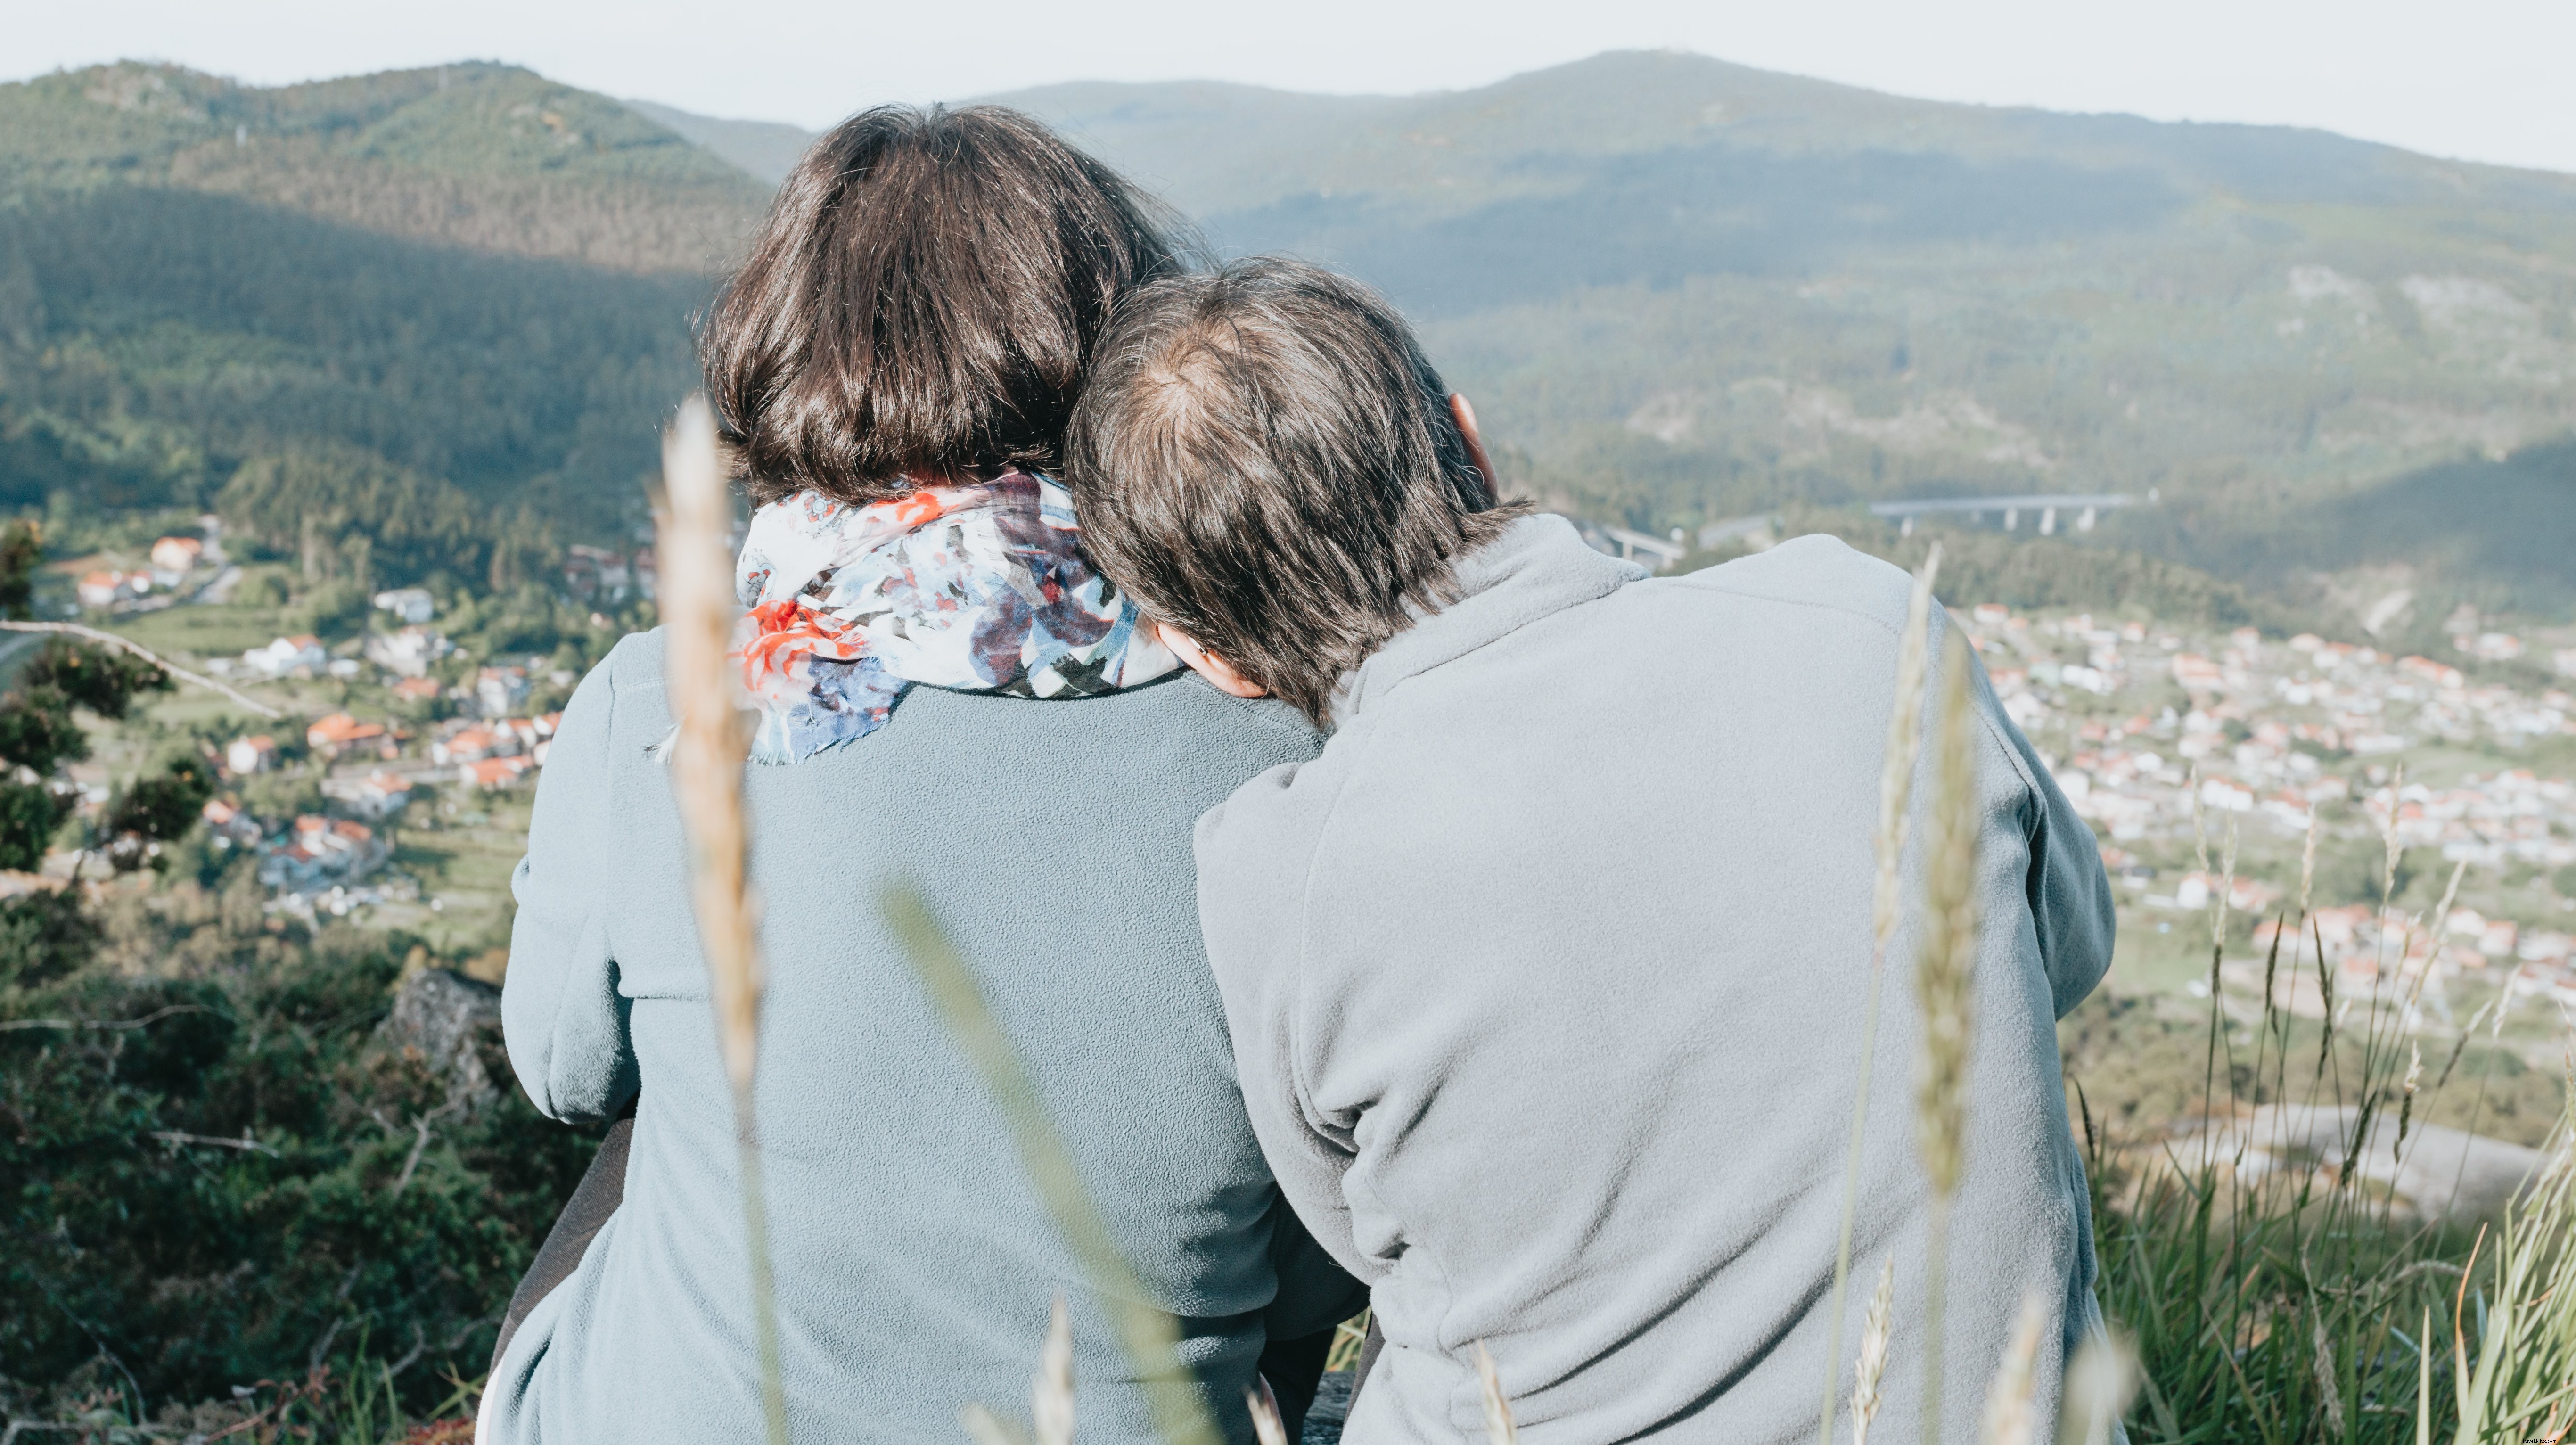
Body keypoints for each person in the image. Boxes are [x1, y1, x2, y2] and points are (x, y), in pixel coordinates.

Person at [1064, 258, 2118, 1445]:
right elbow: (2065, 956)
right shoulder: (1863, 623)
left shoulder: (1273, 870)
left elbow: (1356, 1237)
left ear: (1211, 654)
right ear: (1469, 438)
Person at [482, 116, 1362, 1445]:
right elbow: (1310, 1262)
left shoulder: (662, 704)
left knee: (663, 1113)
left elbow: (560, 1069)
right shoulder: (1287, 742)